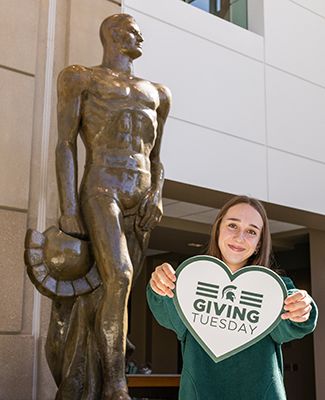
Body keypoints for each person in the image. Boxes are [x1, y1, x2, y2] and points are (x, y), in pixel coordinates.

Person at [56, 13, 171, 400]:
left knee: (114, 291)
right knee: (118, 276)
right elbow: (65, 144)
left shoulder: (158, 92)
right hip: (102, 187)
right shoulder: (81, 78)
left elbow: (157, 157)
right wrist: (68, 206)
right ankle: (115, 384)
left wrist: (157, 193)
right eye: (131, 29)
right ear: (110, 34)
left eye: (139, 31)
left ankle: (93, 377)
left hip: (139, 201)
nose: (139, 35)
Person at [147, 195, 318, 400]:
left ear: (258, 243)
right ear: (218, 229)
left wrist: (302, 308)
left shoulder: (273, 288)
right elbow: (168, 315)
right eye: (232, 226)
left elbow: (292, 322)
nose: (240, 238)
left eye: (251, 231)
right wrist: (159, 285)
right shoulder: (188, 281)